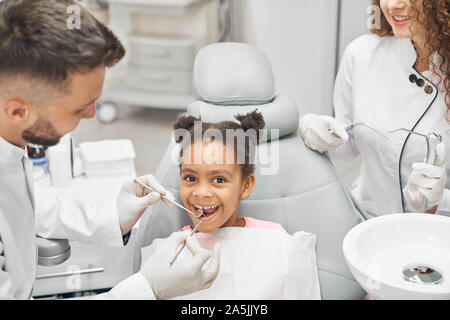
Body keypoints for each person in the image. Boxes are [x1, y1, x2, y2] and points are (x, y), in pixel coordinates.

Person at [0, 0, 219, 299]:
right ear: (17, 111)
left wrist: (113, 215)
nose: (92, 115)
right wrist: (148, 288)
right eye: (80, 108)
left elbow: (28, 207)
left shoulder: (11, 140)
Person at [140, 111, 321, 300]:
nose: (201, 192)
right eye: (190, 178)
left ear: (245, 185)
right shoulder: (164, 255)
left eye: (218, 179)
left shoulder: (281, 246)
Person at [299, 0, 449, 218]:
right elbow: (346, 147)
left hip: (437, 235)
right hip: (366, 222)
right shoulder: (361, 54)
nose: (393, 5)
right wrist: (313, 130)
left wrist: (440, 201)